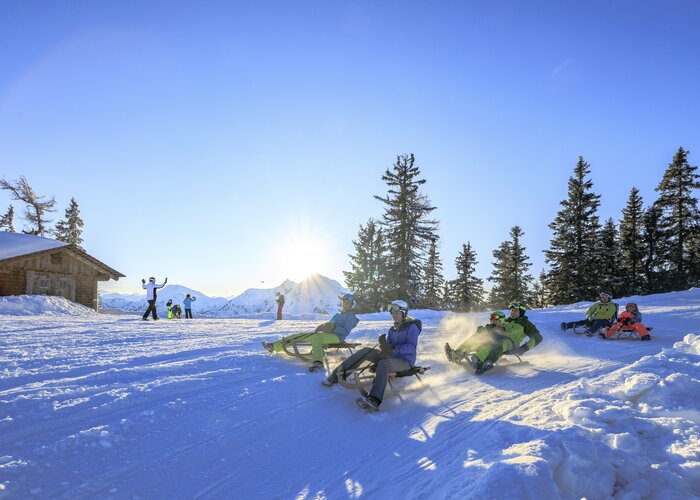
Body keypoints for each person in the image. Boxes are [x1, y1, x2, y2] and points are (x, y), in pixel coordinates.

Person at [321, 299, 421, 412]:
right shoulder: (392, 329)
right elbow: (387, 348)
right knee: (366, 351)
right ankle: (336, 375)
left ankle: (374, 399)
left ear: (404, 313)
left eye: (397, 313)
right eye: (392, 313)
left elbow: (411, 347)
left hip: (405, 361)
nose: (394, 315)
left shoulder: (412, 327)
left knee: (383, 363)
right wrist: (384, 345)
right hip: (391, 357)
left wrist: (393, 349)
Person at [262, 293, 360, 371]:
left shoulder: (351, 316)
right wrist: (322, 327)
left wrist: (334, 327)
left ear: (352, 305)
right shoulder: (338, 314)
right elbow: (329, 325)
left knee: (315, 337)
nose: (345, 304)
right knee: (303, 335)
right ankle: (274, 346)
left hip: (338, 338)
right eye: (344, 302)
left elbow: (346, 331)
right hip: (328, 335)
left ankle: (318, 362)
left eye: (348, 303)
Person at [450, 302, 542, 375]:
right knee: (481, 338)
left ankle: (481, 360)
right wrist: (487, 329)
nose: (512, 313)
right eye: (511, 310)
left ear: (521, 313)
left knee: (501, 343)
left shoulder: (526, 324)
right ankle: (458, 353)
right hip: (498, 339)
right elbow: (497, 327)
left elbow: (538, 337)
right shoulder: (506, 320)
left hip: (511, 343)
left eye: (515, 311)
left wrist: (524, 348)